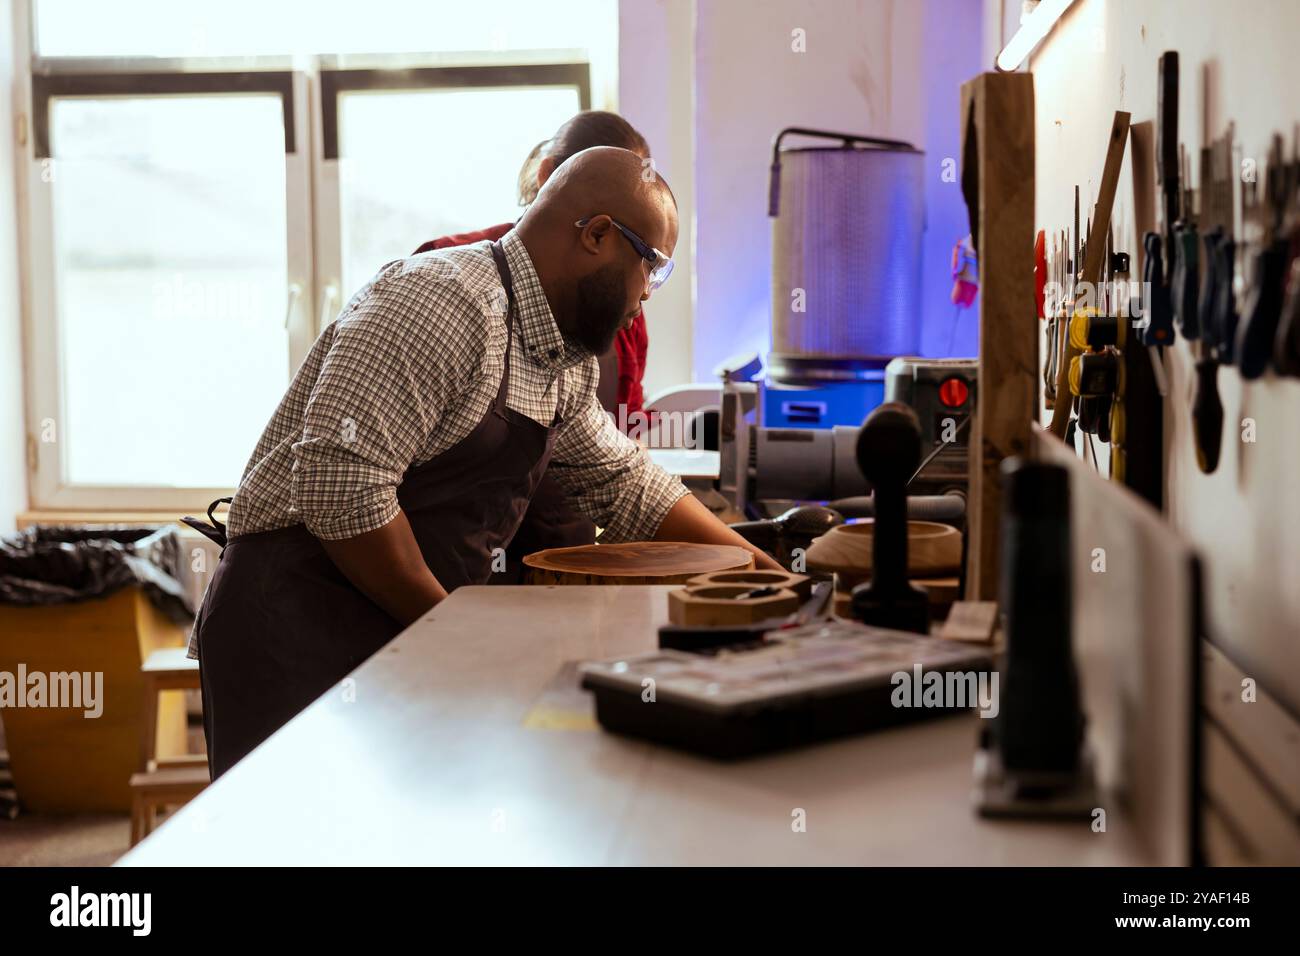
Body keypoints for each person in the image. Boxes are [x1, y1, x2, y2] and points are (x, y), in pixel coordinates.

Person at [192, 146, 781, 777]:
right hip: (295, 626)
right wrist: (452, 631)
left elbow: (626, 486)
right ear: (599, 235)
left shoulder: (560, 360)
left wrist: (778, 583)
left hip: (394, 626)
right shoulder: (440, 302)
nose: (646, 295)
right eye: (653, 267)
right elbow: (344, 490)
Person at [413, 112, 654, 578]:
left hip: (562, 545)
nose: (642, 290)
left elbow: (621, 450)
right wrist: (437, 618)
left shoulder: (617, 306)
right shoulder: (444, 277)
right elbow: (353, 484)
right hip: (440, 556)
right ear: (549, 178)